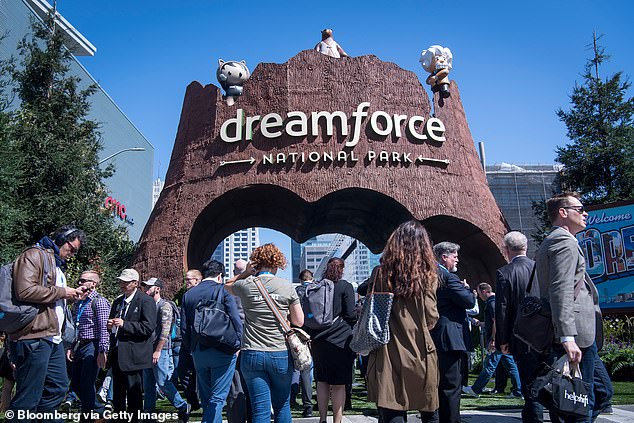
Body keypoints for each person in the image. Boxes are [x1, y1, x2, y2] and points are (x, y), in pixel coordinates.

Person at [8, 225, 87, 422]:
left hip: (52, 337)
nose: (72, 254)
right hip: (34, 335)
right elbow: (24, 291)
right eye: (72, 249)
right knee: (28, 396)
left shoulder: (56, 264)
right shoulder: (34, 255)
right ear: (62, 239)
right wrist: (62, 292)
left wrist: (71, 295)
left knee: (58, 387)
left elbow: (51, 297)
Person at [366, 220, 440, 423]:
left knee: (392, 409)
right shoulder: (428, 277)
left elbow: (373, 314)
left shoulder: (380, 274)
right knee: (429, 409)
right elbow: (432, 318)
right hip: (421, 350)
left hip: (388, 351)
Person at [536, 192, 599, 423]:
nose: (585, 213)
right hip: (574, 336)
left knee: (583, 398)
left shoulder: (555, 240)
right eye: (580, 209)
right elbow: (560, 291)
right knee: (577, 403)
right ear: (563, 213)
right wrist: (567, 335)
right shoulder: (563, 242)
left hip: (577, 334)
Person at [225, 243, 304, 423]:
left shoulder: (245, 285)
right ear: (277, 263)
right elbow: (299, 321)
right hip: (280, 353)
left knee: (260, 409)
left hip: (251, 352)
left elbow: (227, 285)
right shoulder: (286, 286)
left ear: (256, 263)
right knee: (282, 406)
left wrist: (245, 272)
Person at [181, 260, 242, 423]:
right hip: (223, 349)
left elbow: (184, 327)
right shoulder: (224, 291)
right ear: (220, 275)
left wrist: (191, 348)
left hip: (199, 351)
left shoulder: (189, 295)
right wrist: (238, 344)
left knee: (207, 397)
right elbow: (236, 319)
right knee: (218, 397)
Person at [495, 231, 545, 422]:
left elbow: (503, 310)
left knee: (529, 382)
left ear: (506, 250)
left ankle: (534, 417)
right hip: (545, 333)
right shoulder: (539, 269)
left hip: (521, 336)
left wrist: (503, 340)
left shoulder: (504, 273)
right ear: (526, 247)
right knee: (543, 379)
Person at [430, 241, 476, 423]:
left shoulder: (431, 274)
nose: (457, 260)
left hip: (436, 335)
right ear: (444, 257)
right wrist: (468, 290)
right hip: (449, 339)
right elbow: (469, 301)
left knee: (438, 384)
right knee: (451, 386)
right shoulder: (448, 278)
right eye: (455, 256)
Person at [307, 258, 356, 423]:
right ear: (341, 269)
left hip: (318, 341)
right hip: (340, 341)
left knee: (322, 381)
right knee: (339, 384)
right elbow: (350, 314)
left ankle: (322, 419)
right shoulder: (345, 286)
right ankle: (337, 420)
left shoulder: (317, 286)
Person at [107, 268, 157, 423]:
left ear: (135, 283)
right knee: (118, 393)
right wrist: (111, 325)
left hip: (134, 355)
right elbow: (114, 324)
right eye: (121, 281)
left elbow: (148, 327)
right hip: (117, 353)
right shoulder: (117, 302)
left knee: (134, 394)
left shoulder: (145, 301)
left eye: (126, 282)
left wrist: (125, 325)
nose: (122, 284)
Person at [142, 277, 191, 421]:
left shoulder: (164, 306)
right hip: (148, 349)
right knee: (149, 384)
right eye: (145, 287)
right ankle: (148, 414)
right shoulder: (148, 305)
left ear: (157, 289)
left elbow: (165, 330)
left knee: (163, 382)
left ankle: (182, 405)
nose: (145, 290)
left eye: (149, 287)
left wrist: (158, 350)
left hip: (160, 350)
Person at [462, 283, 522, 399]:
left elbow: (496, 321)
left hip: (498, 339)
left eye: (479, 294)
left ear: (484, 291)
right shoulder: (496, 301)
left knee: (490, 364)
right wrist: (481, 323)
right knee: (510, 364)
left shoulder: (491, 303)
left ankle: (476, 389)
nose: (479, 297)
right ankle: (518, 391)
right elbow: (494, 322)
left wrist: (494, 340)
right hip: (502, 337)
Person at [67, 270, 111, 422]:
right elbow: (75, 326)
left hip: (93, 344)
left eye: (83, 280)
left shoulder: (99, 302)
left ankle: (88, 417)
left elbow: (104, 329)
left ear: (93, 284)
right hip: (80, 345)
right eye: (79, 280)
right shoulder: (80, 302)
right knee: (77, 384)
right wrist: (71, 347)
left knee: (86, 383)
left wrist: (102, 350)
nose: (79, 283)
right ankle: (99, 412)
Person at [226, 258, 251, 423]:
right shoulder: (252, 287)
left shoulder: (228, 290)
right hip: (254, 341)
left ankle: (237, 418)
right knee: (254, 385)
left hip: (234, 342)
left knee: (236, 386)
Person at [178, 269, 203, 411]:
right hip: (187, 342)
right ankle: (193, 400)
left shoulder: (200, 295)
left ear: (197, 280)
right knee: (183, 372)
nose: (186, 282)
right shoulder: (186, 296)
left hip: (200, 341)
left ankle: (198, 400)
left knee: (200, 373)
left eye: (188, 279)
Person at [291, 269, 314, 418]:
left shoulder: (296, 291)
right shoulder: (317, 289)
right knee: (309, 371)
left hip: (298, 332)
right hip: (315, 331)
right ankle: (309, 406)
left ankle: (291, 398)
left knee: (296, 367)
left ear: (300, 280)